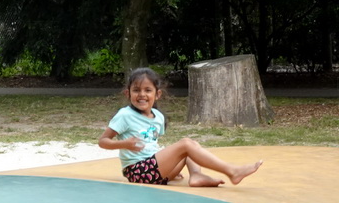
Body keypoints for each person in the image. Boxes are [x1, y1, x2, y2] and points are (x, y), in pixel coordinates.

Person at [98, 67, 262, 187]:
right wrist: (124, 144)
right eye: (136, 90)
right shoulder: (125, 115)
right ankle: (232, 171)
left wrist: (168, 167)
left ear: (157, 94)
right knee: (185, 144)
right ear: (128, 94)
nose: (142, 95)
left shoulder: (158, 117)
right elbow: (103, 141)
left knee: (190, 146)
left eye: (148, 90)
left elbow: (151, 146)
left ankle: (196, 175)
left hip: (155, 170)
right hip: (138, 172)